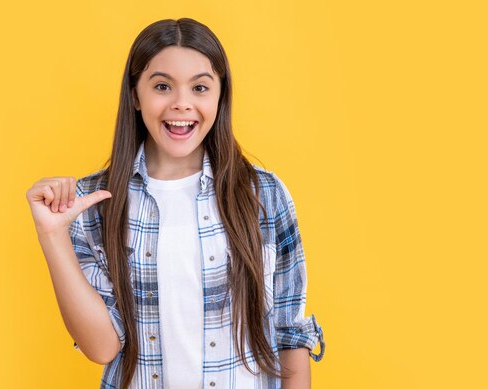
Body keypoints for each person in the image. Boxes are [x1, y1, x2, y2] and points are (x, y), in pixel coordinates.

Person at [26, 17, 325, 389]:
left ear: (220, 95)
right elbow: (102, 347)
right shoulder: (93, 205)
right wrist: (52, 235)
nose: (182, 104)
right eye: (163, 86)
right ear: (135, 95)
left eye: (200, 87)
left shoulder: (262, 194)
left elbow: (289, 333)